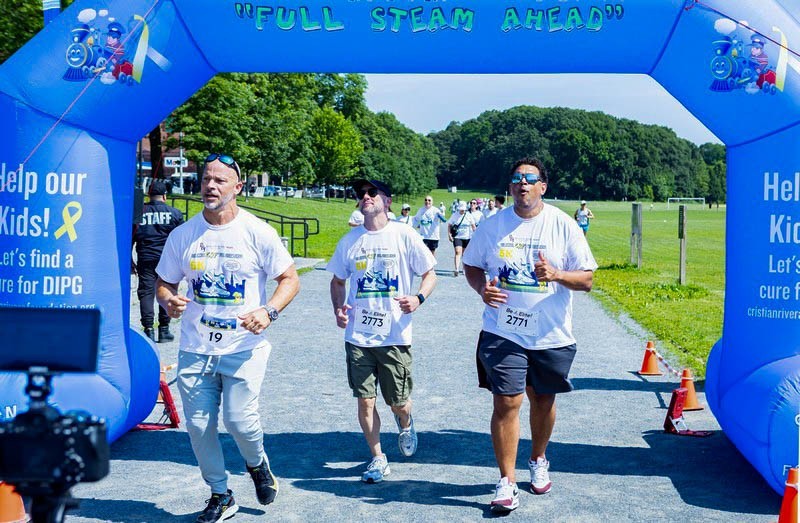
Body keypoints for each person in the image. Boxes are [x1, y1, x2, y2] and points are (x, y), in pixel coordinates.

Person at [156, 153, 300, 523]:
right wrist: (169, 301)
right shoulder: (183, 235)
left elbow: (290, 279)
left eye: (220, 180)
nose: (210, 186)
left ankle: (257, 463)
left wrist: (268, 311)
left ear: (237, 187)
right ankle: (221, 494)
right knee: (199, 427)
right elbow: (164, 283)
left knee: (239, 421)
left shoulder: (257, 232)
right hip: (196, 348)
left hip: (243, 348)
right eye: (206, 179)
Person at [462, 157, 597, 513]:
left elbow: (587, 279)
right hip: (502, 330)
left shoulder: (564, 225)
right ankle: (506, 481)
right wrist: (482, 289)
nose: (522, 183)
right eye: (517, 178)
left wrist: (556, 274)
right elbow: (471, 265)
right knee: (507, 402)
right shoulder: (493, 226)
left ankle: (538, 458)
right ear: (510, 186)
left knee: (543, 400)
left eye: (530, 178)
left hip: (550, 332)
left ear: (543, 186)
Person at [328, 179, 437, 484]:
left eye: (372, 192)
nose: (366, 197)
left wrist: (418, 298)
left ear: (387, 200)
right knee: (365, 400)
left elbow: (429, 273)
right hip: (358, 335)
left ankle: (405, 421)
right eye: (361, 193)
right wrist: (338, 308)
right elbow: (337, 281)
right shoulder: (350, 241)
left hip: (394, 336)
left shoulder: (403, 235)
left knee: (398, 402)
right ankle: (377, 457)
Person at [132, 179, 184, 343]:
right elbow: (182, 239)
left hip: (145, 257)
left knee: (146, 292)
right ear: (165, 196)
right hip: (168, 259)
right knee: (167, 290)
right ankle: (164, 329)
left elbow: (130, 237)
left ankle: (148, 330)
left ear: (149, 194)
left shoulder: (139, 212)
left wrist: (130, 260)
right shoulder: (175, 213)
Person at [447, 201, 477, 277]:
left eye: (463, 210)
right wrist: (449, 234)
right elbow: (449, 225)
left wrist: (476, 236)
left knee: (465, 254)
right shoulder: (455, 215)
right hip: (457, 237)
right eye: (461, 209)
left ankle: (464, 268)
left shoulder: (469, 215)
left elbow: (473, 226)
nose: (462, 211)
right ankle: (456, 269)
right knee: (457, 252)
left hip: (467, 237)